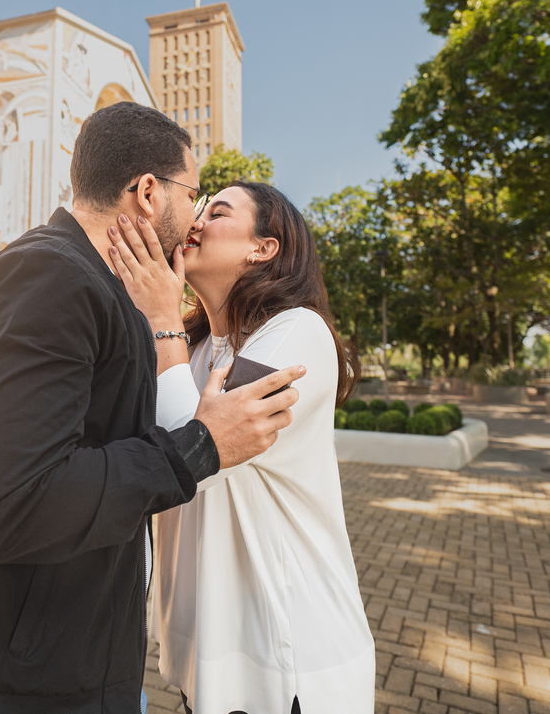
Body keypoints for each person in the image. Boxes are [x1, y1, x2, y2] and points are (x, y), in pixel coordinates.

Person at [0, 103, 305, 714]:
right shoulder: (47, 279)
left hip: (60, 670)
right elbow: (15, 504)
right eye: (193, 194)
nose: (192, 217)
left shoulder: (94, 289)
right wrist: (200, 446)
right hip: (8, 689)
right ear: (146, 192)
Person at [109, 181, 376, 714]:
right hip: (206, 663)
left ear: (264, 247)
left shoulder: (296, 332)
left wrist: (162, 319)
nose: (196, 221)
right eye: (200, 207)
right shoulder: (194, 348)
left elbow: (195, 458)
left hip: (290, 667)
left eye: (219, 211)